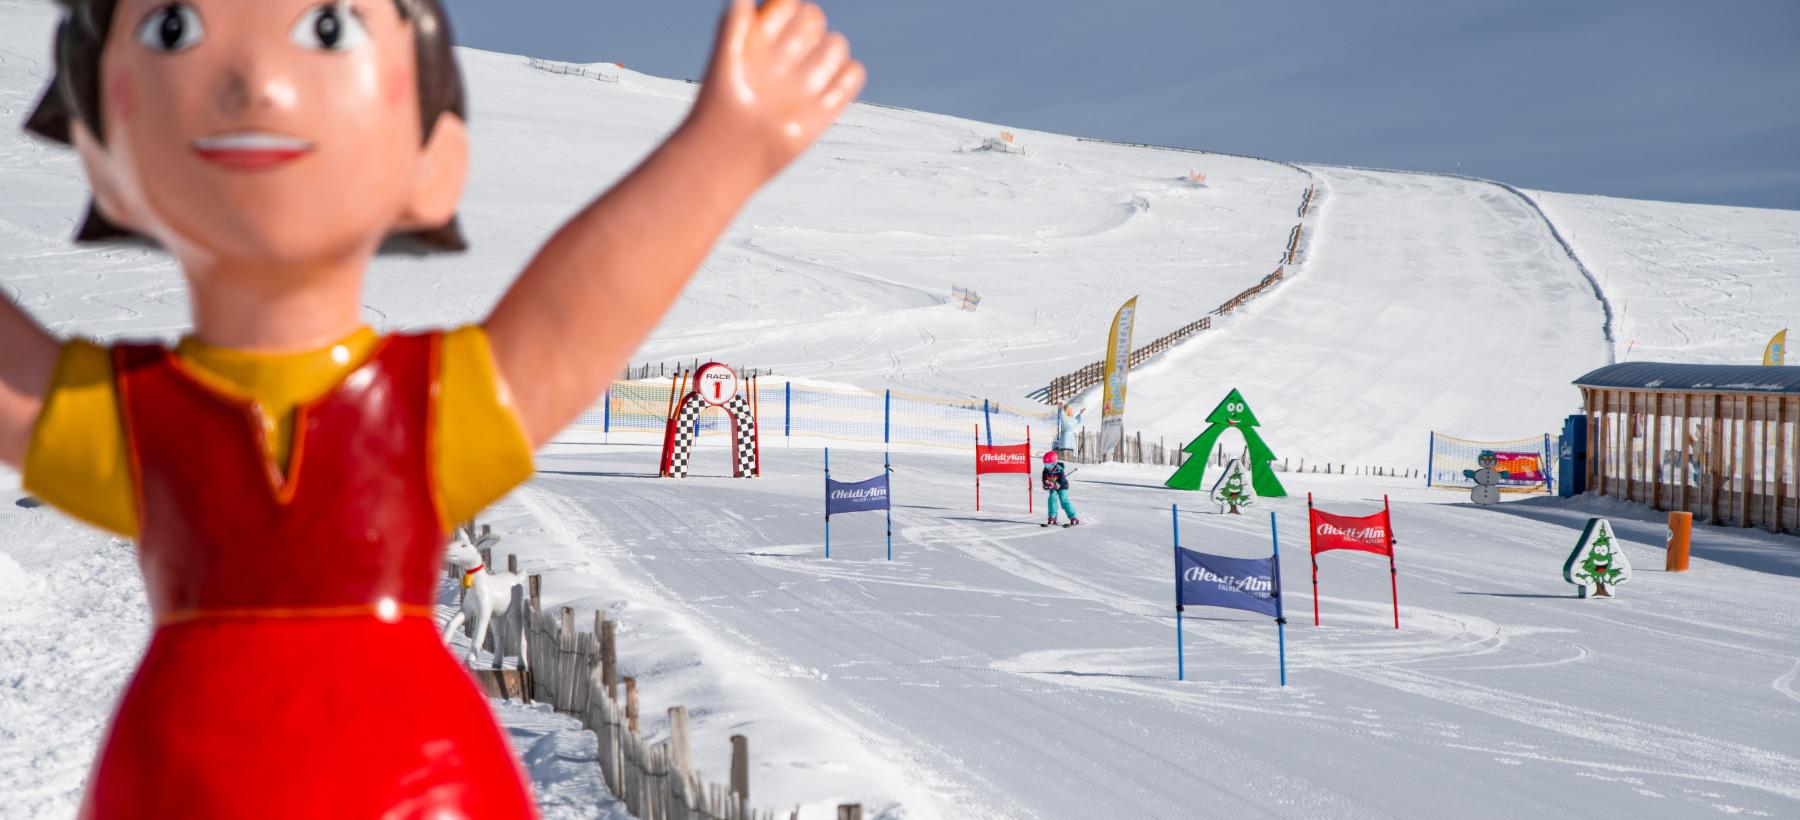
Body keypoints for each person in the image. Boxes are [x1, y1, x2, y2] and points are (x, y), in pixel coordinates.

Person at [0, 0, 863, 817]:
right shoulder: (134, 416)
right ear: (104, 154)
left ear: (432, 165)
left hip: (417, 783)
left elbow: (573, 319)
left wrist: (724, 148)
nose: (256, 79)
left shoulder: (422, 409)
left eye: (329, 26)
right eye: (176, 26)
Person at [1041, 450, 1080, 527]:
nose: (1049, 467)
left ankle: (1073, 517)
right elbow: (1045, 481)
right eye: (1046, 465)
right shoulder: (1045, 471)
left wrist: (1057, 485)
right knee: (1052, 498)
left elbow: (1062, 481)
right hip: (1053, 487)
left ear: (1055, 463)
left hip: (1062, 487)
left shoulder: (1060, 470)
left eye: (1050, 465)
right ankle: (1052, 517)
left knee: (1064, 500)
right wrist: (1046, 485)